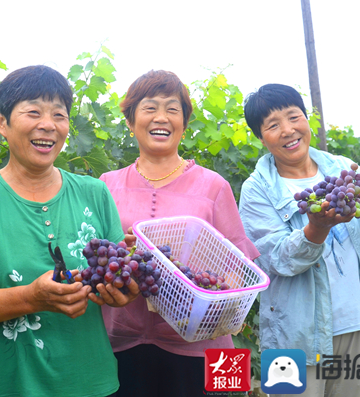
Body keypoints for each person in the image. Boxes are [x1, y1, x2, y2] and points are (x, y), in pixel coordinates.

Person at [0, 65, 136, 397]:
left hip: (90, 383)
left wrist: (123, 291)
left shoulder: (94, 193)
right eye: (33, 112)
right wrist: (30, 298)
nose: (48, 125)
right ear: (2, 122)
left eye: (59, 114)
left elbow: (117, 274)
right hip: (4, 385)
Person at [239, 83, 360, 397]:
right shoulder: (257, 190)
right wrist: (315, 229)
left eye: (294, 117)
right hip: (293, 338)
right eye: (273, 125)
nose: (288, 130)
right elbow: (273, 260)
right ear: (260, 137)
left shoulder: (343, 168)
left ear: (307, 120)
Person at [99, 70, 260, 397]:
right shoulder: (106, 184)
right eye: (149, 108)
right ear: (130, 122)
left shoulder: (213, 185)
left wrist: (228, 302)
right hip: (120, 343)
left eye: (173, 109)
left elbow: (237, 265)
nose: (162, 117)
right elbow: (96, 258)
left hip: (203, 345)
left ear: (184, 124)